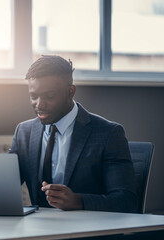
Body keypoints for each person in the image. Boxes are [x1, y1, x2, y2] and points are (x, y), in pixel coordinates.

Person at [10, 55, 137, 213]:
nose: (39, 104)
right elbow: (5, 185)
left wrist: (78, 201)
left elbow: (127, 201)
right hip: (38, 230)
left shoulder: (109, 134)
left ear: (70, 92)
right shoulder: (24, 132)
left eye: (49, 96)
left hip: (89, 232)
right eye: (33, 97)